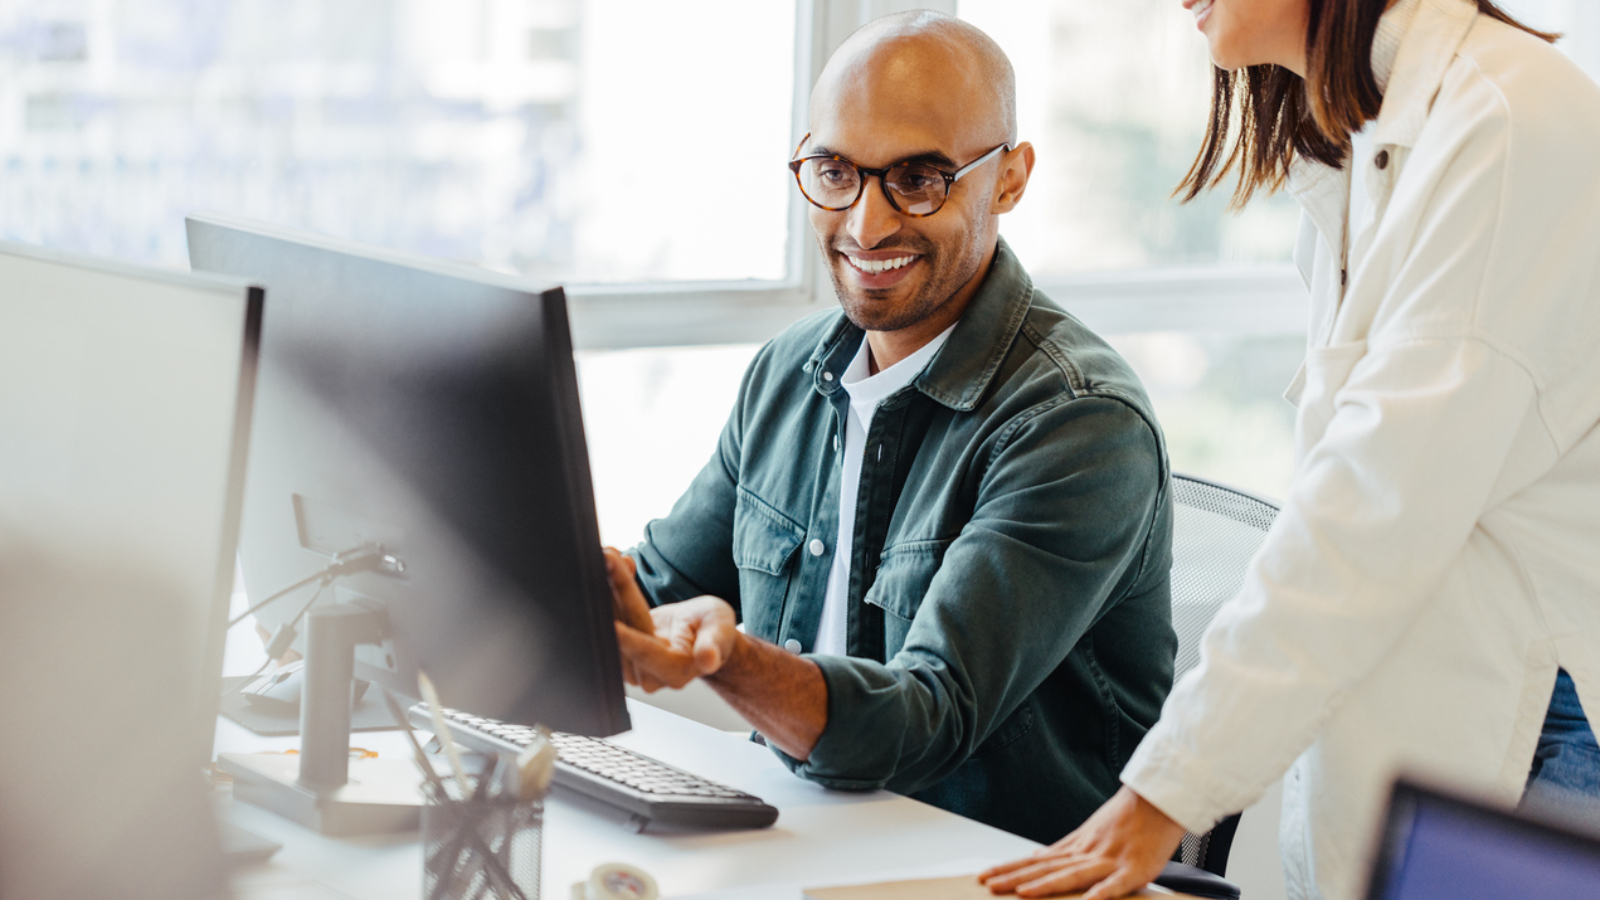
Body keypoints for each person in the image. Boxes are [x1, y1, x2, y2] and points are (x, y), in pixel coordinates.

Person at [980, 0, 1600, 898]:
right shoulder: (1370, 140)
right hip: (1426, 732)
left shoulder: (1507, 125)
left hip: (1527, 746)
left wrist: (1163, 796)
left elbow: (1368, 511)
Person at [602, 11, 1177, 845]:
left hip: (982, 872)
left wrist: (728, 659)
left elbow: (926, 722)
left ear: (1009, 179)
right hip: (801, 849)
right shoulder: (789, 374)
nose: (866, 225)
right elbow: (653, 589)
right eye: (835, 171)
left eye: (918, 179)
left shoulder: (1078, 424)